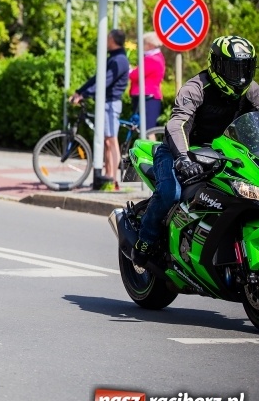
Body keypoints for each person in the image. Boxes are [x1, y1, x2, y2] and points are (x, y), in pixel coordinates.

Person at [132, 35, 259, 265]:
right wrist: (182, 157)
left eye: (245, 67)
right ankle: (145, 241)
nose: (240, 75)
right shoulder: (196, 88)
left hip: (224, 153)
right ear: (217, 64)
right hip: (180, 151)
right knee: (171, 192)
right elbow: (176, 124)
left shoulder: (251, 90)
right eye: (233, 68)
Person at [71, 29, 130, 182]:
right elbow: (97, 78)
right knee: (106, 140)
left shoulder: (119, 60)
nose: (105, 41)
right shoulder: (114, 58)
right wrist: (80, 91)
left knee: (111, 140)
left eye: (107, 38)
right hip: (107, 102)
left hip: (111, 103)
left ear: (113, 40)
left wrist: (84, 95)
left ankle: (114, 179)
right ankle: (109, 175)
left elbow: (105, 81)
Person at [128, 31, 165, 130]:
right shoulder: (157, 57)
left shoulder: (152, 59)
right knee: (145, 129)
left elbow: (135, 75)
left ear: (149, 45)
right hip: (147, 97)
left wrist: (129, 70)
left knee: (148, 130)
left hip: (147, 97)